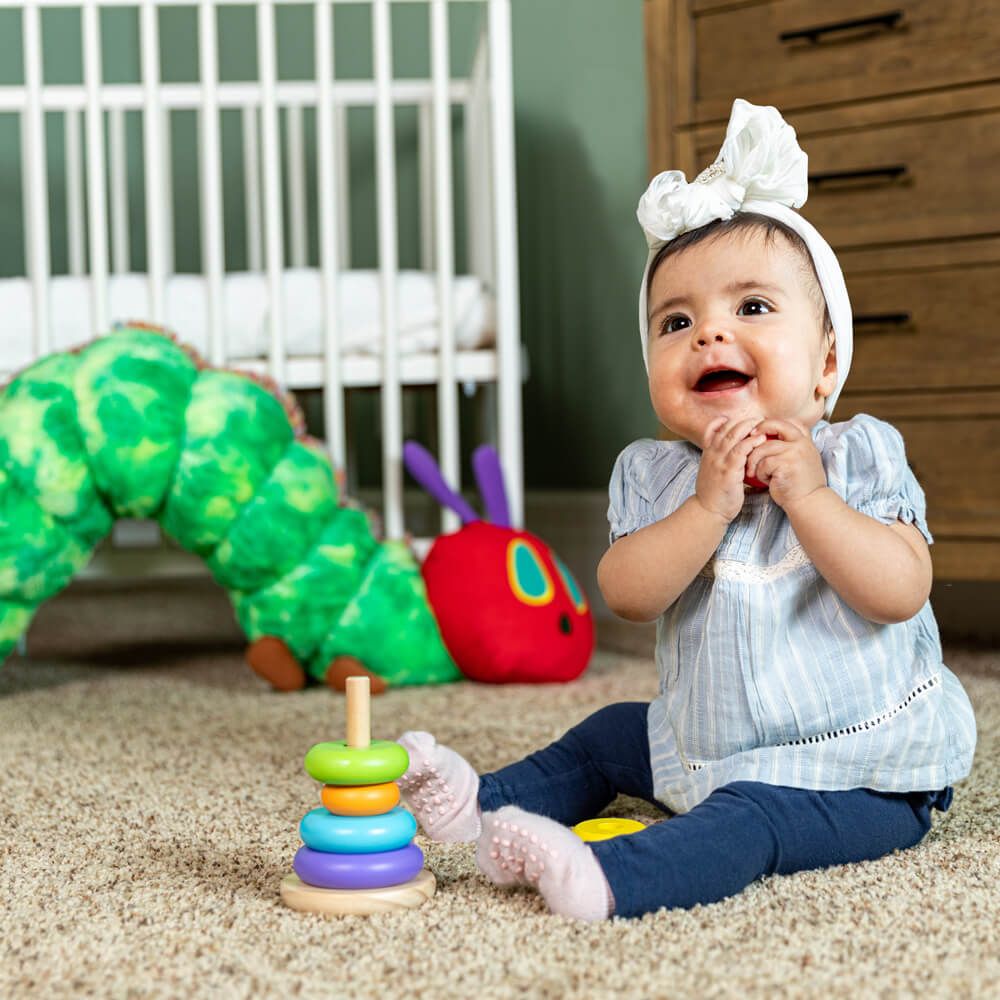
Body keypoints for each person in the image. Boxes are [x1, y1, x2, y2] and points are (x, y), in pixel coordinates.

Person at [395, 99, 977, 921]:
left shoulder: (856, 456)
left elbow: (899, 591)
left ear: (826, 360)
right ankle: (472, 805)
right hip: (707, 744)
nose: (709, 334)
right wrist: (707, 508)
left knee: (749, 818)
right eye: (677, 321)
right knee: (607, 736)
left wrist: (807, 498)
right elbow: (629, 594)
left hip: (859, 770)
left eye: (751, 308)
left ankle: (616, 878)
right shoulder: (656, 475)